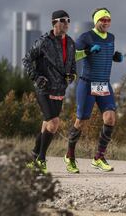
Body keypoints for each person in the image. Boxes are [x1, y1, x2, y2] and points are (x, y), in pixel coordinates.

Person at [63, 7, 124, 173]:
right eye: (102, 20)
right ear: (96, 21)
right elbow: (71, 57)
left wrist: (114, 57)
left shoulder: (111, 37)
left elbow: (104, 53)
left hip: (103, 83)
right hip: (87, 83)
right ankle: (70, 156)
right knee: (81, 121)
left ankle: (99, 157)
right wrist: (88, 51)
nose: (105, 22)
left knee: (110, 118)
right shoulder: (86, 37)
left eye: (108, 20)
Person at [23, 10, 76, 174]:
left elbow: (73, 63)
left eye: (68, 20)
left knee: (47, 125)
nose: (66, 23)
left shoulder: (71, 42)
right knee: (54, 123)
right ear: (54, 22)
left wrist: (72, 75)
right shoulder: (43, 42)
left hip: (60, 88)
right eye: (63, 20)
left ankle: (33, 156)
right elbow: (27, 60)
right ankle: (41, 159)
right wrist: (36, 77)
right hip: (44, 89)